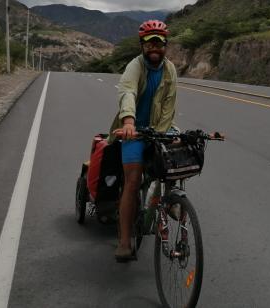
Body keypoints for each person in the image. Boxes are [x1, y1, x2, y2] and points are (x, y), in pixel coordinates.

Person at [109, 20, 178, 261]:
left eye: (159, 42)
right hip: (133, 130)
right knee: (133, 179)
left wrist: (159, 135)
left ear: (165, 45)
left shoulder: (170, 70)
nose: (155, 47)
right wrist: (128, 122)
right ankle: (125, 241)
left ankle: (171, 199)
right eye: (150, 43)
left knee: (178, 155)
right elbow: (127, 92)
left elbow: (169, 106)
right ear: (142, 45)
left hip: (159, 128)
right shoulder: (135, 66)